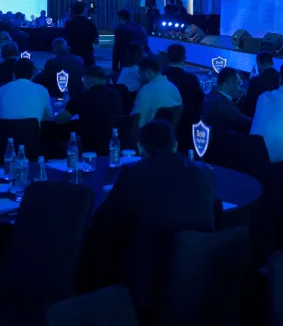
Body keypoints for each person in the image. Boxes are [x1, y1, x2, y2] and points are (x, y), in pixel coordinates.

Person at [91, 120, 216, 316]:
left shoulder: (134, 175)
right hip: (201, 280)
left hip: (145, 288)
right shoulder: (204, 173)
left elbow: (102, 223)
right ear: (175, 145)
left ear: (141, 148)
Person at [56, 66, 124, 150]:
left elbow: (60, 119)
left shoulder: (82, 97)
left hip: (90, 145)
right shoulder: (116, 96)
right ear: (104, 80)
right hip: (114, 143)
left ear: (86, 80)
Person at [132, 57, 182, 127]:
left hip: (148, 131)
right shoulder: (174, 88)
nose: (141, 79)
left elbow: (136, 121)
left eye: (141, 74)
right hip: (169, 132)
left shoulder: (146, 90)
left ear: (147, 72)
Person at [162, 43, 203, 128]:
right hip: (186, 123)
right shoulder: (191, 79)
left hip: (163, 122)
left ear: (167, 57)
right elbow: (200, 100)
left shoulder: (160, 76)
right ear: (184, 57)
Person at [201, 67, 252, 134]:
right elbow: (248, 123)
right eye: (238, 84)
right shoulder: (223, 104)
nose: (241, 89)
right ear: (229, 83)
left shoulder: (210, 96)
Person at [241, 52, 280, 117]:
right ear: (272, 63)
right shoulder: (281, 79)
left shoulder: (255, 81)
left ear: (258, 63)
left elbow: (247, 106)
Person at [64, 1, 99, 66]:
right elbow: (96, 41)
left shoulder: (68, 23)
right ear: (84, 10)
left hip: (73, 54)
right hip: (87, 55)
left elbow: (66, 39)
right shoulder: (90, 23)